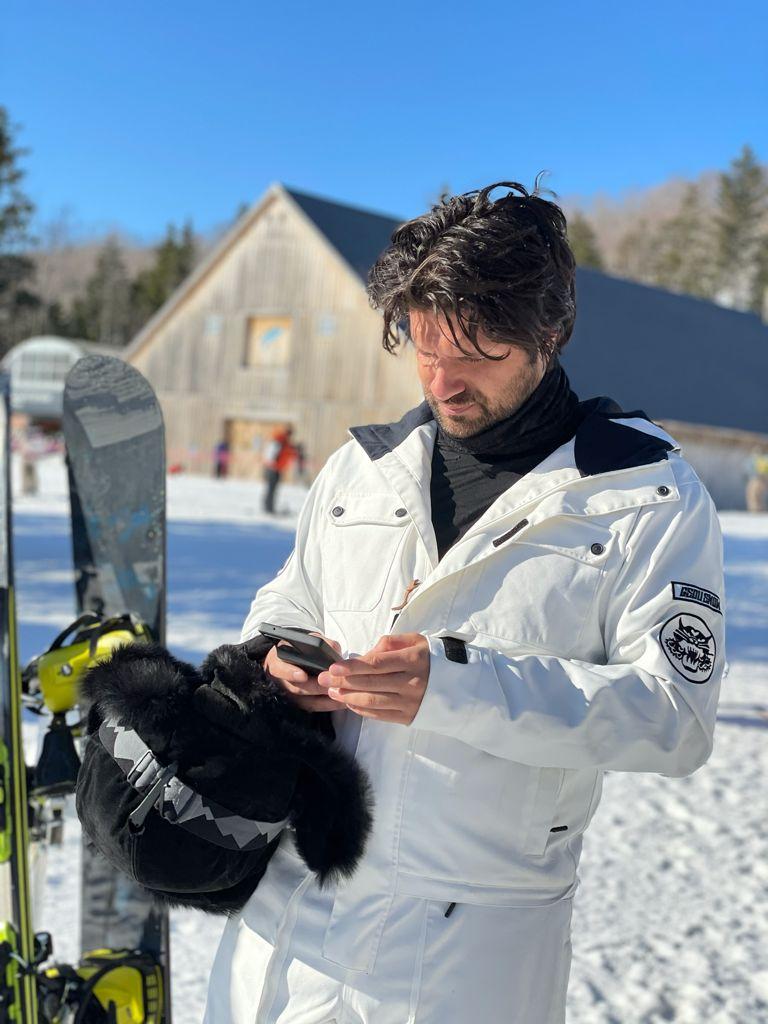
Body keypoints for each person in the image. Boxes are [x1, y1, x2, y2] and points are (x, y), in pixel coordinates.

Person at [204, 182, 726, 1024]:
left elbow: (675, 718)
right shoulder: (362, 469)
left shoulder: (646, 496)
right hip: (292, 913)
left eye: (477, 353)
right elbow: (287, 599)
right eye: (422, 347)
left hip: (472, 941)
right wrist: (277, 654)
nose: (443, 382)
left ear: (550, 333)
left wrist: (456, 688)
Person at [262, 424, 297, 513]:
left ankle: (270, 506)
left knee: (273, 489)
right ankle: (268, 507)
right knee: (271, 489)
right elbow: (271, 451)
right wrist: (271, 463)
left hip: (277, 468)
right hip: (274, 468)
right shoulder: (280, 440)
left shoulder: (285, 441)